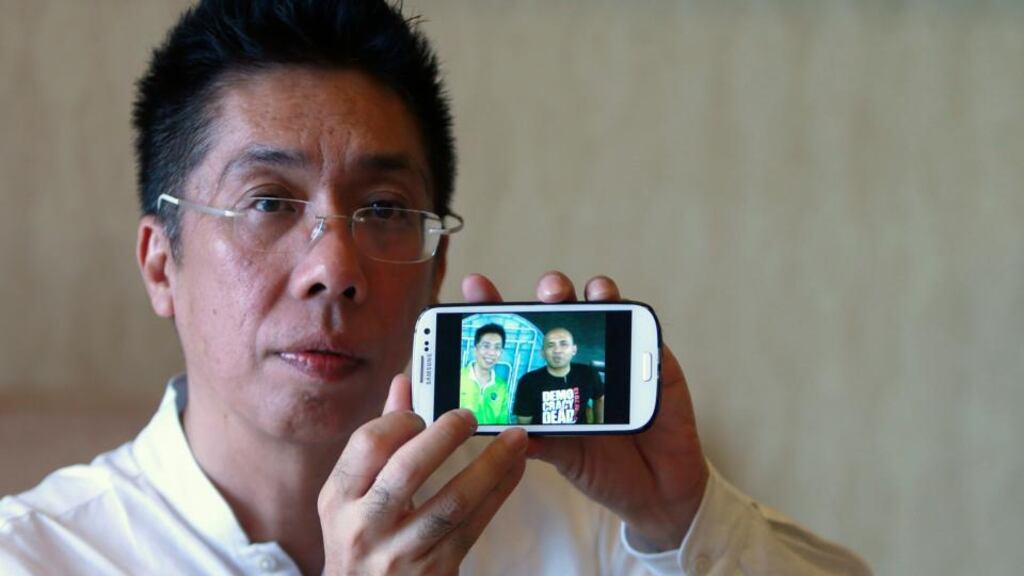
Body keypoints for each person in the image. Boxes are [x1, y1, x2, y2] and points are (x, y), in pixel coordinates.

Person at [0, 1, 871, 574]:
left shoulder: (585, 523)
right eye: (269, 201)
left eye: (383, 209)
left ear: (435, 272)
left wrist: (686, 519)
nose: (335, 267)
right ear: (161, 262)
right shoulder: (38, 555)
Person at [514, 327, 606, 424]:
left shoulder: (588, 373)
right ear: (542, 353)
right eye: (550, 345)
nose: (557, 350)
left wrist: (599, 427)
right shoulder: (528, 381)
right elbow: (523, 423)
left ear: (574, 350)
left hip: (578, 437)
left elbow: (600, 398)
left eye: (563, 344)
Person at [460, 324, 511, 424]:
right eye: (486, 346)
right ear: (475, 350)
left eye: (497, 348)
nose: (491, 353)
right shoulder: (458, 378)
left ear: (501, 353)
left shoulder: (502, 387)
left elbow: (502, 424)